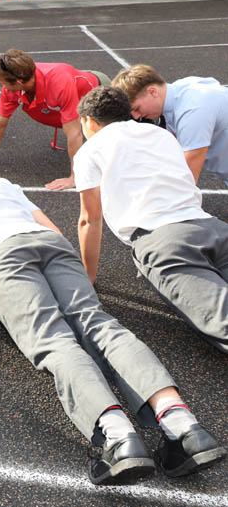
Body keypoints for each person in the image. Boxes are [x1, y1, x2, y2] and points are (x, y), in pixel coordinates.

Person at [0, 146, 225, 484]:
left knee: (54, 340)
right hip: (51, 245)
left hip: (1, 258)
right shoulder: (1, 184)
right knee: (98, 323)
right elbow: (52, 228)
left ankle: (119, 439)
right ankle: (182, 426)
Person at [74, 86, 228, 355]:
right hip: (212, 227)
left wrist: (88, 276)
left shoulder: (90, 150)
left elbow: (90, 220)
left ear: (89, 121)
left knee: (222, 319)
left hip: (165, 244)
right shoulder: (162, 134)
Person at [0, 49, 110, 191]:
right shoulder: (13, 87)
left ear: (19, 82)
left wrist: (75, 177)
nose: (1, 86)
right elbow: (0, 122)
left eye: (2, 82)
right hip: (74, 81)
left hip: (99, 88)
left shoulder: (60, 83)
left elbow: (75, 133)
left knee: (108, 137)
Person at [111, 64, 228, 186]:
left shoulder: (192, 110)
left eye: (137, 108)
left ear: (152, 92)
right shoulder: (180, 90)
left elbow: (188, 177)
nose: (136, 117)